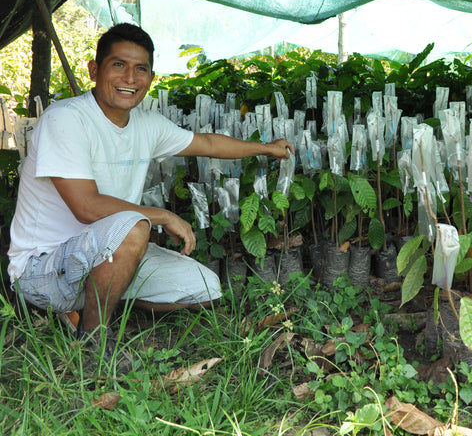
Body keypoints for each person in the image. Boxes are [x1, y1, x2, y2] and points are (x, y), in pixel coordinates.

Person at [7, 23, 294, 373]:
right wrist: (163, 215)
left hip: (104, 254)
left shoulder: (145, 124)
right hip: (43, 268)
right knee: (135, 226)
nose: (130, 77)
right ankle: (93, 337)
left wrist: (266, 148)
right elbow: (86, 206)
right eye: (118, 65)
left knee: (205, 288)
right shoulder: (66, 119)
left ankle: (92, 303)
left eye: (140, 68)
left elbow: (206, 143)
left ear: (151, 77)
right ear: (94, 70)